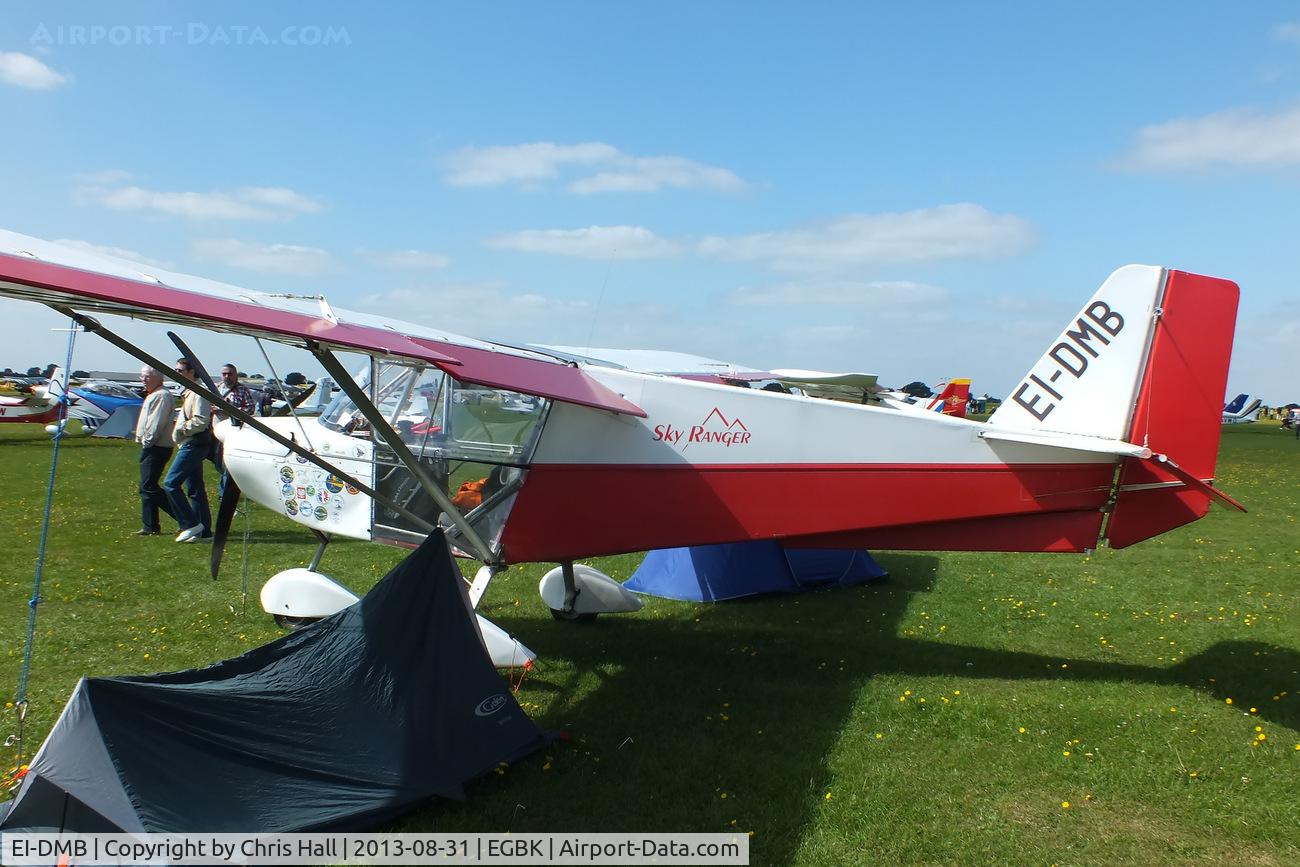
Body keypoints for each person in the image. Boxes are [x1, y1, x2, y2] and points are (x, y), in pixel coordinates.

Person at [162, 358, 212, 542]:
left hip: (194, 442)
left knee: (171, 483)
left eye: (180, 370)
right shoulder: (190, 392)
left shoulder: (199, 392)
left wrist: (182, 430)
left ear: (192, 371)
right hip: (190, 442)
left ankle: (189, 524)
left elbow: (201, 420)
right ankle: (204, 532)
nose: (177, 373)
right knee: (195, 488)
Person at [133, 366, 176, 536]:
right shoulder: (154, 394)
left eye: (147, 377)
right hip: (152, 445)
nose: (143, 380)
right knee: (146, 487)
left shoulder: (162, 396)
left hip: (157, 446)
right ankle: (150, 526)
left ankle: (186, 518)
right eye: (142, 376)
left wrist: (147, 441)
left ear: (158, 378)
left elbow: (156, 423)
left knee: (148, 486)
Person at [213, 363, 256, 496]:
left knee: (227, 465)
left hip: (233, 431)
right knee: (218, 463)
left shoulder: (242, 390)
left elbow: (250, 409)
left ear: (235, 375)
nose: (227, 377)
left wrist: (230, 410)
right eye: (224, 374)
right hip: (215, 430)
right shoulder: (216, 388)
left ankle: (224, 493)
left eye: (230, 374)